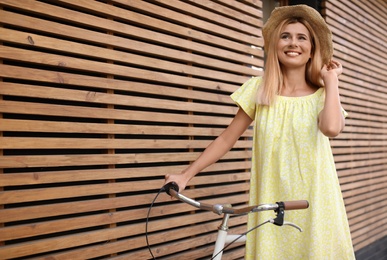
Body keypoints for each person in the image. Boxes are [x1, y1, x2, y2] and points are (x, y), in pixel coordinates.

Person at [165, 4, 355, 259]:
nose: (292, 43)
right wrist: (186, 175)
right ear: (276, 45)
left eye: (302, 38)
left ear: (312, 50)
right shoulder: (259, 90)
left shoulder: (322, 95)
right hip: (270, 205)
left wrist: (331, 81)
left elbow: (331, 128)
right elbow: (226, 139)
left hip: (316, 206)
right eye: (285, 36)